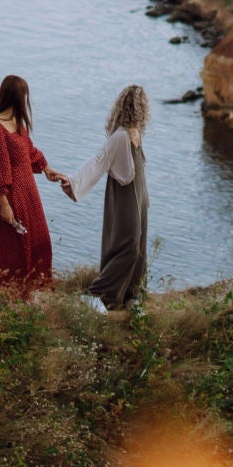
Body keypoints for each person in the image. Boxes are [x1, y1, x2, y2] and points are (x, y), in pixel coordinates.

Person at [0, 74, 73, 296]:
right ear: (15, 97)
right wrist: (4, 205)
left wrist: (46, 168)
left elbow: (29, 151)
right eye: (24, 96)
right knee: (16, 248)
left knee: (40, 241)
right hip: (13, 194)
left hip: (29, 191)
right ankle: (13, 295)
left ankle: (35, 291)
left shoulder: (17, 122)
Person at [83, 84, 150, 310]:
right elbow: (97, 162)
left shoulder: (136, 133)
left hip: (139, 197)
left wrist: (146, 198)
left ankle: (129, 294)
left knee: (140, 247)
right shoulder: (120, 136)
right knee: (129, 244)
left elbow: (140, 168)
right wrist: (73, 182)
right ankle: (97, 293)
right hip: (124, 196)